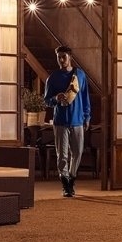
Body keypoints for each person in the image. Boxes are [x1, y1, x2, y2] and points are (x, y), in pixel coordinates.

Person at [44, 46, 91, 197]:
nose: (61, 60)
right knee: (62, 155)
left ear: (70, 57)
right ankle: (66, 184)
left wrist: (87, 116)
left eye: (64, 56)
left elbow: (85, 97)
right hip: (60, 122)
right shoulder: (53, 77)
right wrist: (55, 99)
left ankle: (72, 178)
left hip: (77, 120)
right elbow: (46, 101)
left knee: (77, 153)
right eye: (59, 57)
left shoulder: (80, 75)